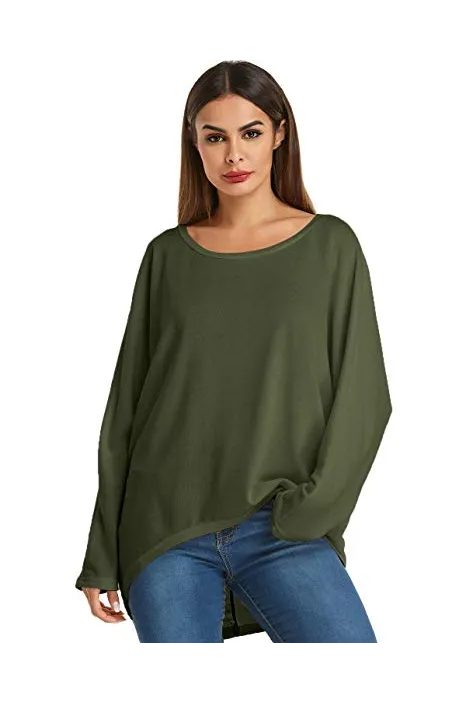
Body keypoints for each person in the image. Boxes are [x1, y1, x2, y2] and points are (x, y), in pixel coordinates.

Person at [75, 60, 392, 647]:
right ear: (194, 144)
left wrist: (310, 514)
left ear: (279, 133)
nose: (234, 155)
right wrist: (101, 553)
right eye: (214, 137)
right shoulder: (167, 257)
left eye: (250, 132)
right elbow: (125, 412)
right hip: (164, 531)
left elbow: (365, 399)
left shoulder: (330, 246)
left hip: (281, 528)